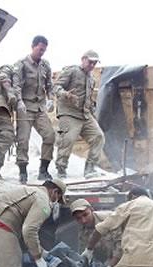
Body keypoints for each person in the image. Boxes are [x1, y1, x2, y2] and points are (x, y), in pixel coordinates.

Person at [54, 50, 104, 179]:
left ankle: (90, 168)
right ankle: (61, 169)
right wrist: (66, 94)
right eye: (90, 62)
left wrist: (92, 113)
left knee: (98, 136)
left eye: (94, 63)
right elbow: (56, 87)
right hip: (69, 113)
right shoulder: (72, 71)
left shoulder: (91, 78)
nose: (92, 65)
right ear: (83, 59)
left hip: (85, 115)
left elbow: (89, 99)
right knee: (68, 139)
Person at [13, 35, 56, 184]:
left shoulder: (45, 65)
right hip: (25, 106)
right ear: (33, 47)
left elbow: (49, 84)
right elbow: (16, 85)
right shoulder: (22, 64)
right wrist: (19, 101)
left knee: (50, 135)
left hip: (39, 108)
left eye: (44, 50)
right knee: (23, 139)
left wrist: (50, 98)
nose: (41, 53)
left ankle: (43, 170)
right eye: (39, 49)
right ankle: (22, 171)